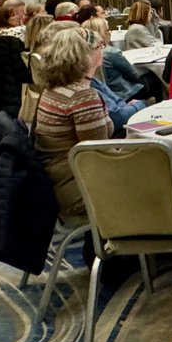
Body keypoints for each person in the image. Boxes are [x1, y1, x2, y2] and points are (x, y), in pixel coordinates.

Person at [32, 28, 112, 219]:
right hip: (77, 186)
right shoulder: (82, 97)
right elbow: (98, 154)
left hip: (55, 178)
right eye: (100, 46)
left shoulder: (54, 89)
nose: (103, 50)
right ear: (86, 55)